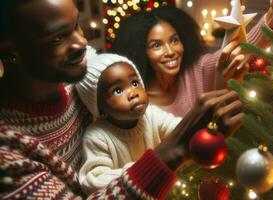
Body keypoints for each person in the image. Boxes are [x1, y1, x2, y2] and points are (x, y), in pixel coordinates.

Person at [0, 0, 243, 199]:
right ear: (12, 51)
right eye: (58, 38)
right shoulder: (7, 152)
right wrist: (175, 148)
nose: (82, 42)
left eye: (76, 26)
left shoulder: (79, 77)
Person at [76, 53, 183, 195]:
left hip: (157, 190)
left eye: (134, 83)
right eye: (118, 90)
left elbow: (178, 128)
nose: (133, 93)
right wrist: (140, 170)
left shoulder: (151, 114)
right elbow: (93, 181)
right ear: (99, 107)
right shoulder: (97, 136)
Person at [112, 6, 245, 117]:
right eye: (156, 45)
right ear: (142, 52)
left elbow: (239, 47)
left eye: (174, 40)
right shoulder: (139, 101)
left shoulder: (197, 69)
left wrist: (266, 22)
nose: (170, 52)